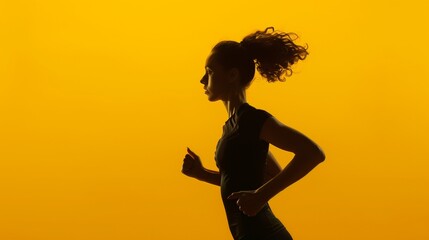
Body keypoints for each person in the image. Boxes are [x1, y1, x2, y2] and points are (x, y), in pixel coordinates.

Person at [181, 27, 325, 240]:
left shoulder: (252, 120)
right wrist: (202, 174)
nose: (203, 80)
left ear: (232, 75)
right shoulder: (232, 127)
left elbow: (313, 153)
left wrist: (261, 196)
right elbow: (266, 176)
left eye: (210, 72)